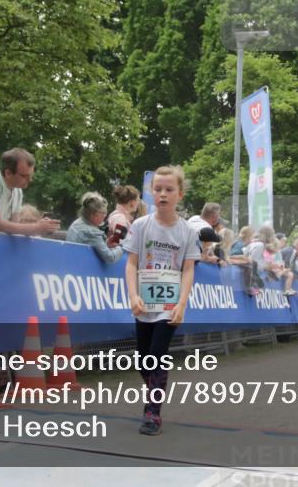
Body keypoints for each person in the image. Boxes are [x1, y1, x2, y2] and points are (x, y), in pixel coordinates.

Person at [123, 165, 200, 436]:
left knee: (156, 355)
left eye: (169, 190)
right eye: (157, 189)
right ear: (150, 193)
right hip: (144, 302)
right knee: (142, 359)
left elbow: (189, 269)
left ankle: (152, 412)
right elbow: (131, 263)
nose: (163, 194)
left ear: (180, 194)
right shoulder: (141, 226)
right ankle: (155, 388)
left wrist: (182, 303)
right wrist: (133, 294)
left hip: (169, 305)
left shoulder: (188, 232)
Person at [0, 148, 59, 236]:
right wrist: (36, 228)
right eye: (24, 176)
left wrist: (43, 226)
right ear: (8, 173)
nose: (30, 179)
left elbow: (14, 227)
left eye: (31, 175)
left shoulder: (17, 191)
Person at [67, 192, 124, 264]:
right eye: (103, 213)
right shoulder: (92, 233)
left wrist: (106, 244)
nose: (105, 216)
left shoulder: (77, 223)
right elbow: (110, 258)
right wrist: (122, 247)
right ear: (94, 214)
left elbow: (92, 244)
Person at [246, 225, 296, 296]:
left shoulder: (261, 244)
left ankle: (255, 287)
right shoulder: (259, 244)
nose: (274, 236)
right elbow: (255, 259)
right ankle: (253, 287)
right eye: (273, 234)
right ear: (268, 235)